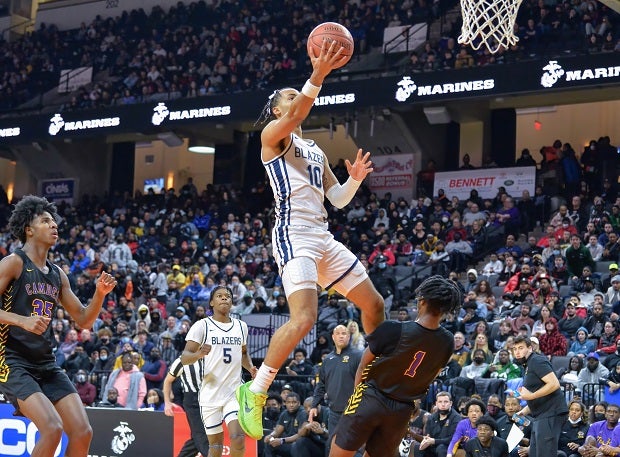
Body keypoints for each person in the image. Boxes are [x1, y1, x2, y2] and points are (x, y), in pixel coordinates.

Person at [235, 38, 385, 440]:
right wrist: (317, 75)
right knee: (305, 318)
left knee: (374, 305)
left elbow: (335, 199)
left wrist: (353, 180)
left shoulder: (314, 149)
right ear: (278, 111)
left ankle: (372, 379)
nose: (294, 100)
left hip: (322, 234)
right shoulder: (273, 137)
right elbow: (302, 105)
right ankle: (256, 389)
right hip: (293, 234)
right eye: (288, 96)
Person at [0, 195, 118, 457]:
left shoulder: (57, 274)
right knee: (52, 428)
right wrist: (22, 320)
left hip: (45, 361)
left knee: (82, 431)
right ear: (29, 230)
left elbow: (84, 319)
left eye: (54, 221)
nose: (54, 226)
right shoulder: (14, 263)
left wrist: (100, 294)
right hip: (12, 359)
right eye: (45, 221)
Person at [329, 275, 462, 457]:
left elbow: (363, 365)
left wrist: (357, 399)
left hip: (371, 397)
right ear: (446, 309)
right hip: (401, 411)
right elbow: (432, 375)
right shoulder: (448, 342)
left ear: (421, 301)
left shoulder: (393, 329)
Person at [181, 285, 256, 457]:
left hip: (233, 391)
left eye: (227, 296)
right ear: (211, 303)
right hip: (210, 393)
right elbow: (185, 357)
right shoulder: (202, 326)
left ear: (231, 302)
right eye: (220, 296)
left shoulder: (241, 326)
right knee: (215, 446)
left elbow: (243, 353)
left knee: (237, 437)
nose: (224, 298)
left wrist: (250, 367)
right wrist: (199, 354)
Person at [309, 324, 362, 456]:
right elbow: (321, 384)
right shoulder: (328, 359)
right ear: (333, 337)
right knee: (332, 447)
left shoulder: (358, 356)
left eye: (344, 333)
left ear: (349, 337)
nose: (341, 336)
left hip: (354, 412)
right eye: (337, 333)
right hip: (334, 412)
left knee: (353, 448)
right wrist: (315, 404)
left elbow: (366, 382)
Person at [512, 334, 568, 457]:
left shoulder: (536, 360)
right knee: (534, 453)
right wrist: (524, 411)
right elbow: (539, 393)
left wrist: (530, 397)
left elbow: (554, 384)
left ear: (530, 348)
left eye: (521, 348)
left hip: (551, 413)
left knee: (544, 454)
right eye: (515, 349)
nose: (517, 352)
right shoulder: (527, 365)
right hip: (541, 415)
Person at [163, 355, 210, 457]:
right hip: (192, 401)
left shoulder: (213, 357)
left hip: (209, 400)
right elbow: (167, 380)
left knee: (197, 437)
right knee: (202, 435)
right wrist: (167, 403)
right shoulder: (182, 360)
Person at [417, 391, 462, 457]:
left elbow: (453, 439)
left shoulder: (456, 418)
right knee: (417, 448)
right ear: (436, 403)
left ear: (451, 403)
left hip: (448, 447)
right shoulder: (431, 417)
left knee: (441, 448)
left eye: (446, 402)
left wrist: (434, 441)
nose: (443, 404)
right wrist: (426, 439)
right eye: (440, 402)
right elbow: (428, 434)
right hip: (433, 446)